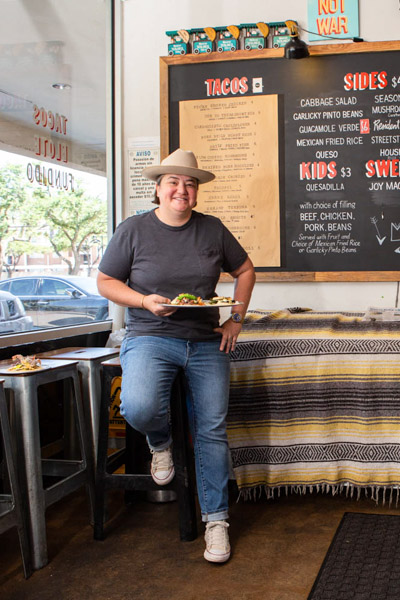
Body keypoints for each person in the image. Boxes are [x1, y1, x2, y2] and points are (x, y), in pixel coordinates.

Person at [97, 148, 255, 563]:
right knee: (140, 406)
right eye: (173, 182)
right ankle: (161, 441)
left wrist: (235, 319)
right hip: (150, 335)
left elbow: (245, 271)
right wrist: (144, 301)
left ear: (197, 193)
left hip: (205, 341)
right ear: (158, 188)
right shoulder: (133, 230)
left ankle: (216, 522)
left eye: (190, 183)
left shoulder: (213, 230)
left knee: (212, 430)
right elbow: (105, 281)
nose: (181, 189)